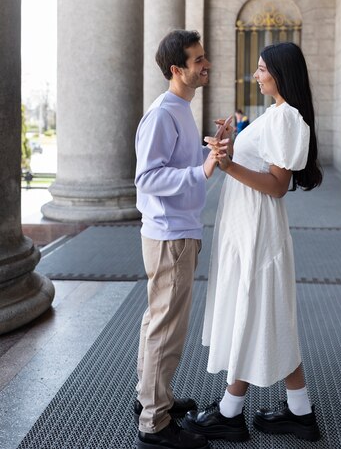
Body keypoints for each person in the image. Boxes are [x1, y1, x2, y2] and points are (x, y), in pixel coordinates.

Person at [183, 42, 323, 443]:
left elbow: (278, 186)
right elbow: (262, 165)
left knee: (254, 308)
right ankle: (299, 411)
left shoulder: (285, 117)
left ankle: (230, 411)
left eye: (262, 68)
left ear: (280, 73)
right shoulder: (277, 114)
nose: (257, 74)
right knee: (267, 311)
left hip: (258, 228)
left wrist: (228, 164)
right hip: (249, 226)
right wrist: (231, 142)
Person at [134, 30, 228, 449]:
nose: (206, 65)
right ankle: (154, 425)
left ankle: (152, 400)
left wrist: (214, 149)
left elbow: (181, 166)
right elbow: (148, 177)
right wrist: (201, 170)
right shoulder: (163, 113)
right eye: (198, 60)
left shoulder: (180, 108)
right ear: (177, 69)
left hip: (175, 231)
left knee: (158, 322)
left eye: (204, 57)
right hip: (170, 236)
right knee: (166, 329)